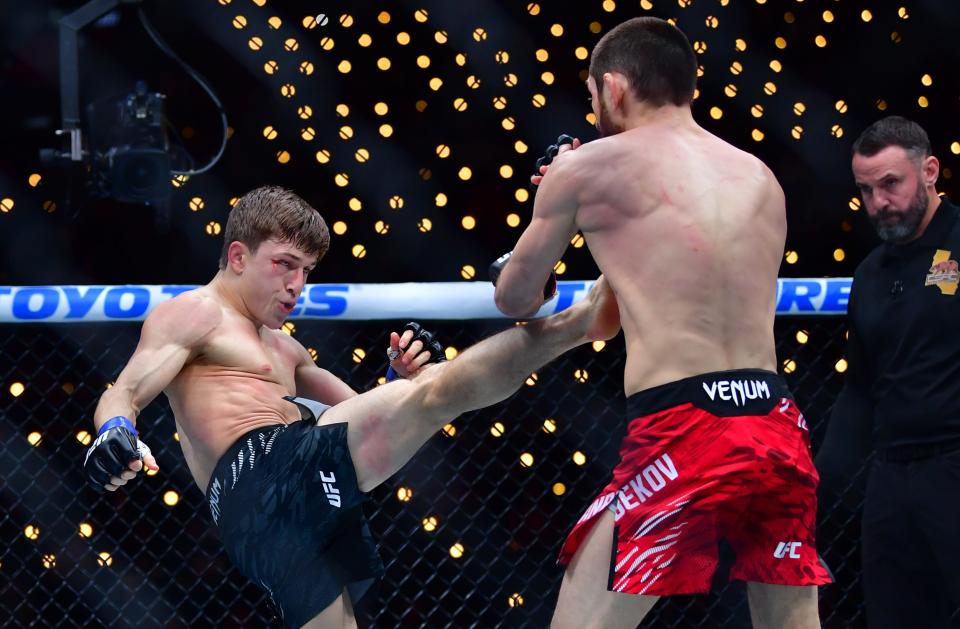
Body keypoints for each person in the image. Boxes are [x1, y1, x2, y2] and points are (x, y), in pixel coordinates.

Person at [82, 185, 621, 629]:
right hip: (263, 471)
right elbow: (124, 389)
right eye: (284, 264)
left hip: (266, 520)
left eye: (307, 270)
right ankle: (581, 321)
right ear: (238, 255)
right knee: (437, 390)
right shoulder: (196, 313)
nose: (297, 285)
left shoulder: (287, 348)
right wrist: (114, 432)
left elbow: (360, 418)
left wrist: (396, 380)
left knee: (422, 391)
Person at [492, 17, 829, 629]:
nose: (594, 110)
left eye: (594, 95)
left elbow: (515, 299)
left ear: (614, 88)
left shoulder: (586, 168)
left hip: (684, 424)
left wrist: (559, 204)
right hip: (777, 422)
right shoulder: (760, 176)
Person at [815, 116, 960, 628]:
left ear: (929, 171)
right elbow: (859, 389)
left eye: (890, 184)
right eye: (866, 190)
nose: (878, 203)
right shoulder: (870, 275)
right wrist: (818, 485)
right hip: (891, 478)